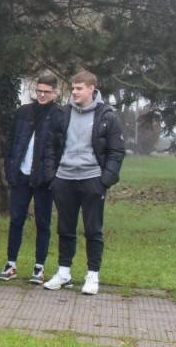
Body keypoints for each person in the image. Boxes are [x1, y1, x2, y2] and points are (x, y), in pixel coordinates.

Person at [42, 70, 125, 296]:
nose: (75, 92)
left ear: (91, 89)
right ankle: (64, 272)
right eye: (73, 88)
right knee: (65, 229)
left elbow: (117, 152)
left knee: (93, 230)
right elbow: (50, 146)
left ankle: (92, 275)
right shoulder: (62, 113)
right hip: (64, 180)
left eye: (79, 88)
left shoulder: (107, 116)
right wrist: (53, 177)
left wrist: (105, 180)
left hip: (92, 181)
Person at [0, 72, 60, 284]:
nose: (42, 95)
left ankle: (39, 268)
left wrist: (53, 176)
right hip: (21, 176)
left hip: (44, 179)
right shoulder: (23, 112)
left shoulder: (60, 114)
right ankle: (11, 264)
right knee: (16, 220)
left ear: (55, 93)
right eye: (39, 91)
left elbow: (60, 149)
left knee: (43, 223)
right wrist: (10, 169)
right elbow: (12, 142)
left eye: (46, 92)